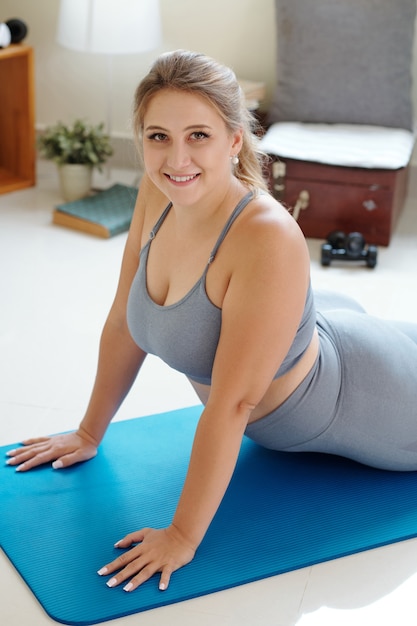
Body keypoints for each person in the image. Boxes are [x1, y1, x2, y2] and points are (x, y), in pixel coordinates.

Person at [5, 50, 417, 594]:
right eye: (158, 136)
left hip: (370, 398)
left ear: (234, 139)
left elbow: (233, 404)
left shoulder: (265, 236)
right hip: (316, 336)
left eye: (198, 134)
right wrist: (88, 432)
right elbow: (125, 321)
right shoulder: (159, 193)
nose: (177, 158)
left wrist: (182, 534)